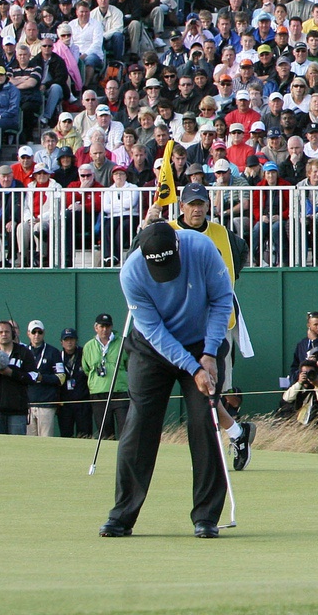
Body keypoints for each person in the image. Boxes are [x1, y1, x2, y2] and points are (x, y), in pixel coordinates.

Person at [102, 219, 234, 538]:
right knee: (140, 422)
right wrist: (193, 367)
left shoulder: (202, 249)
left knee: (205, 421)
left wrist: (209, 354)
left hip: (203, 340)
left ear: (178, 246)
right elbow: (155, 332)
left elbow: (221, 300)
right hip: (151, 349)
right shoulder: (132, 272)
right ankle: (122, 516)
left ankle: (206, 517)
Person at [173, 183, 253, 470]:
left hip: (214, 328)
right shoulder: (168, 231)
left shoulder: (224, 235)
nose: (196, 209)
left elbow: (237, 262)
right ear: (181, 206)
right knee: (203, 394)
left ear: (208, 205)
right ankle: (236, 432)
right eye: (191, 204)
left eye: (201, 203)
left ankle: (224, 445)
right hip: (176, 327)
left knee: (209, 394)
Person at [83, 311, 130, 440]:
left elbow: (129, 365)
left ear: (111, 327)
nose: (104, 329)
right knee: (105, 433)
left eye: (107, 326)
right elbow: (87, 369)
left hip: (119, 391)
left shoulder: (122, 343)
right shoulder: (88, 346)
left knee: (124, 430)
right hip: (99, 393)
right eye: (102, 326)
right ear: (96, 327)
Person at [20, 319, 65, 437]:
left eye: (39, 332)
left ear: (43, 333)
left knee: (46, 439)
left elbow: (61, 378)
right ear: (28, 334)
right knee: (29, 442)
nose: (36, 335)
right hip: (27, 404)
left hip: (46, 404)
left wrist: (41, 378)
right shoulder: (23, 352)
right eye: (33, 332)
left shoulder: (53, 352)